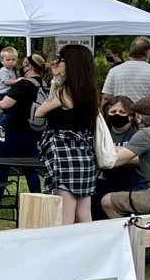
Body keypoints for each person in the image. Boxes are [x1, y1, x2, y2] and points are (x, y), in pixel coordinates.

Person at [34, 43, 101, 224]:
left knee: (65, 211)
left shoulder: (65, 92)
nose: (56, 62)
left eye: (61, 59)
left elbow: (40, 112)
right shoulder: (90, 92)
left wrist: (55, 81)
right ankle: (86, 246)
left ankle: (67, 246)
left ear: (70, 64)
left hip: (65, 152)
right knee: (84, 211)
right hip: (85, 152)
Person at [0, 53, 48, 193]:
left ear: (29, 66)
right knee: (30, 168)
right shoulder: (43, 84)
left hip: (16, 130)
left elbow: (5, 104)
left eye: (24, 64)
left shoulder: (24, 84)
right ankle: (36, 195)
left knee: (3, 164)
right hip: (36, 130)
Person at [102, 38, 150, 107]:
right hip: (148, 120)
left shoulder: (114, 71)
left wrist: (104, 118)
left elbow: (106, 97)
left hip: (122, 117)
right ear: (147, 53)